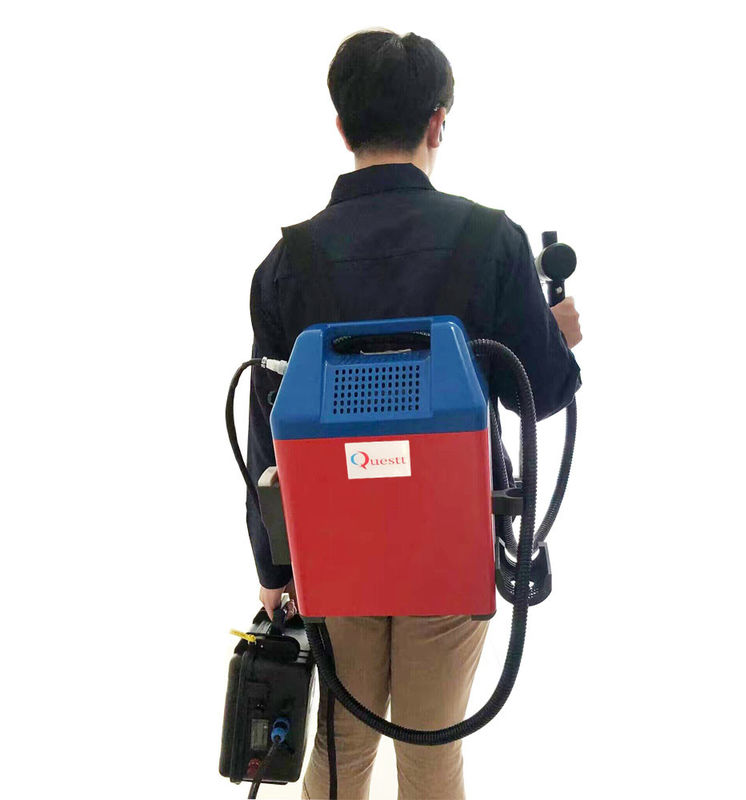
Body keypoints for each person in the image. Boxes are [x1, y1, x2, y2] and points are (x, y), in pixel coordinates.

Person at [245, 28, 582, 800]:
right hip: (452, 548)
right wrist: (555, 335)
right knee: (432, 749)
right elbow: (543, 393)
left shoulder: (287, 264)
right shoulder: (491, 242)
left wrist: (272, 569)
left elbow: (267, 433)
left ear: (342, 126)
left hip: (334, 553)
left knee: (340, 743)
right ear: (438, 123)